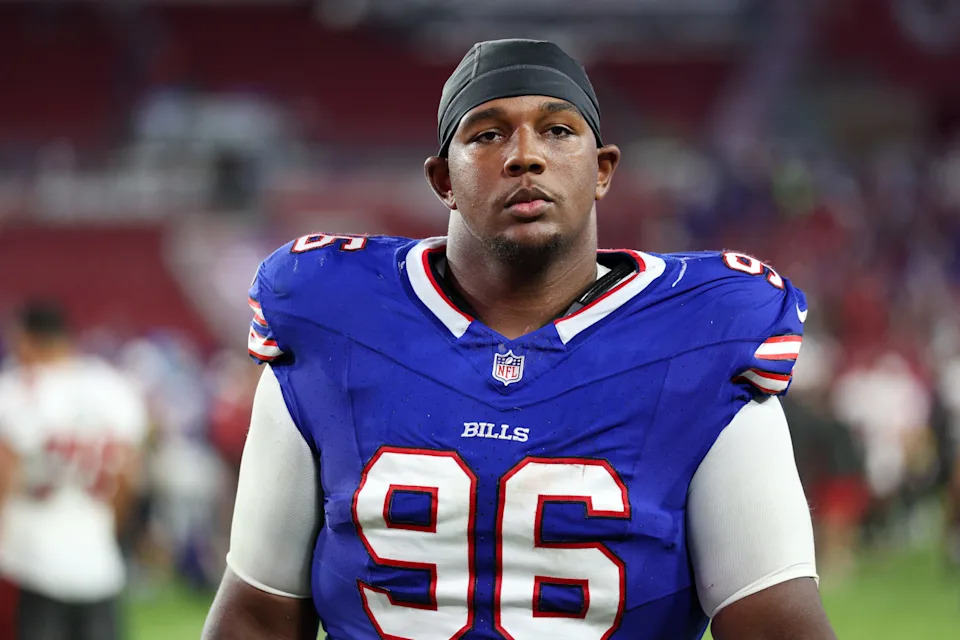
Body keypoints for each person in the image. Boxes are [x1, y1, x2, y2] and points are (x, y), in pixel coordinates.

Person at [204, 39, 836, 639]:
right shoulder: (329, 320)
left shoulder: (705, 335)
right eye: (487, 134)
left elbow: (775, 622)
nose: (525, 155)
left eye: (559, 130)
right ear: (442, 180)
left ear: (602, 169)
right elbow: (257, 614)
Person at [0, 301, 148, 640]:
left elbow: (5, 473)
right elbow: (127, 477)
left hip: (27, 561)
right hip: (98, 561)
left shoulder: (18, 389)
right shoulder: (111, 387)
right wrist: (109, 530)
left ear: (26, 339)